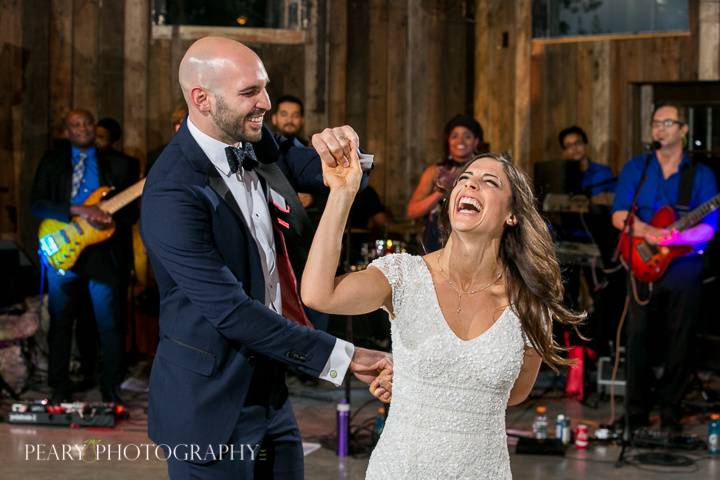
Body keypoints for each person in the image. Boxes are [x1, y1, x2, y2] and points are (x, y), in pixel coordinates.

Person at [140, 36, 390, 479]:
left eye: (265, 87)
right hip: (209, 404)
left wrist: (348, 155)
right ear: (202, 99)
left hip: (271, 388)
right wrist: (343, 356)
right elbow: (231, 312)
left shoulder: (255, 139)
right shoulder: (171, 191)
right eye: (250, 92)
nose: (267, 103)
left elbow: (329, 173)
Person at [302, 150, 584, 478]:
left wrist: (445, 391)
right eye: (464, 179)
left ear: (511, 214)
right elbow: (319, 294)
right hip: (401, 469)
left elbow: (515, 391)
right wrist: (341, 193)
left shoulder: (530, 302)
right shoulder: (404, 275)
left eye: (489, 182)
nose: (470, 185)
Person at [611, 103, 718, 432]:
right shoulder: (637, 168)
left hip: (683, 264)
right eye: (655, 123)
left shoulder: (700, 174)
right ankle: (636, 412)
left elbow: (710, 227)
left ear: (683, 130)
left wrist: (675, 238)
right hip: (642, 260)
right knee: (638, 336)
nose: (659, 129)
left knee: (680, 339)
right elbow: (619, 216)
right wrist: (648, 232)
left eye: (667, 123)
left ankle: (670, 412)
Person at [31, 109, 140, 404]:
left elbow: (134, 210)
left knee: (109, 322)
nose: (82, 128)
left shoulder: (121, 164)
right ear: (67, 131)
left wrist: (112, 221)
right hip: (64, 248)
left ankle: (111, 386)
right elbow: (37, 204)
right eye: (75, 125)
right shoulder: (52, 162)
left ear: (94, 127)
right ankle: (59, 386)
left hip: (104, 252)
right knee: (61, 320)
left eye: (87, 123)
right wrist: (76, 210)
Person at [407, 114, 488, 252]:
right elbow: (412, 211)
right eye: (454, 136)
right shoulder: (434, 172)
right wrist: (441, 191)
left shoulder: (485, 171)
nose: (460, 140)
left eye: (467, 136)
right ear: (448, 141)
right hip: (436, 246)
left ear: (476, 142)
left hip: (474, 246)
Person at [558, 125, 615, 201]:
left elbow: (615, 199)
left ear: (585, 144)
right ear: (564, 152)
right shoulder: (561, 176)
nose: (574, 148)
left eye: (577, 143)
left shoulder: (603, 172)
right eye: (569, 146)